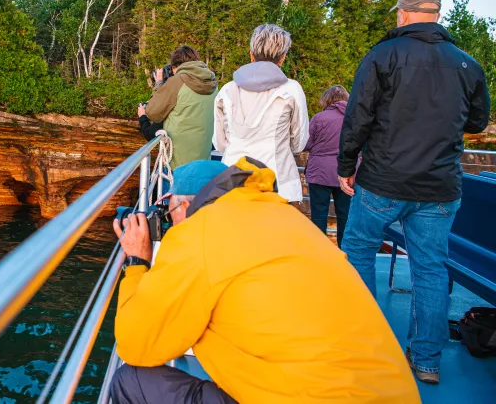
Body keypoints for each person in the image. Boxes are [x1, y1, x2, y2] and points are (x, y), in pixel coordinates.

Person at [110, 158, 420, 404]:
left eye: (169, 210)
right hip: (393, 392)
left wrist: (137, 262)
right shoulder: (291, 218)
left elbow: (136, 344)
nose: (168, 221)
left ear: (188, 207)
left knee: (132, 380)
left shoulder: (197, 233)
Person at [338, 0, 491, 384]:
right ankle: (426, 361)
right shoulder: (467, 64)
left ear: (404, 14)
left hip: (382, 181)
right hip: (439, 188)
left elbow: (358, 117)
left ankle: (364, 346)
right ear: (436, 15)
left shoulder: (382, 56)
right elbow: (476, 122)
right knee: (430, 270)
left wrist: (345, 165)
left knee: (357, 251)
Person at [213, 24, 309, 202]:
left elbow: (219, 144)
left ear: (251, 54)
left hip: (232, 183)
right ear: (282, 58)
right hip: (278, 185)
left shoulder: (226, 91)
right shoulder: (292, 90)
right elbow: (299, 143)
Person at [141, 46, 217, 169]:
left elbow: (152, 112)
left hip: (177, 164)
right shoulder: (212, 83)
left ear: (176, 66)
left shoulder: (178, 81)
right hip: (203, 161)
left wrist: (159, 85)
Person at [305, 85, 352, 245]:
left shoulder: (319, 118)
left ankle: (319, 253)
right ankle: (345, 255)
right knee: (345, 215)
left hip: (320, 172)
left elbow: (306, 143)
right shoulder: (354, 118)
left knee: (319, 215)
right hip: (348, 172)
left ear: (327, 99)